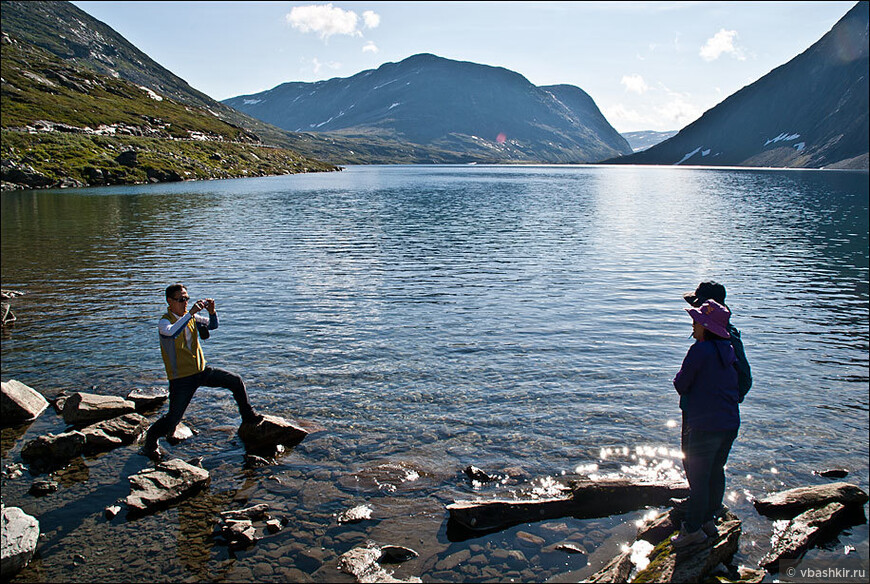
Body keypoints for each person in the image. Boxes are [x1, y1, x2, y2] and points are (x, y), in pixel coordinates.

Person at [141, 283, 262, 460]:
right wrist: (190, 313)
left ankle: (248, 417)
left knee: (235, 381)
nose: (185, 302)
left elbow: (213, 326)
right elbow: (171, 333)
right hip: (181, 379)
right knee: (172, 420)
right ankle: (150, 443)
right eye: (181, 299)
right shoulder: (164, 321)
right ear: (170, 301)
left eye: (187, 299)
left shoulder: (191, 318)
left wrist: (212, 311)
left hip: (201, 371)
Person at [671, 299, 740, 548]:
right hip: (729, 423)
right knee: (715, 472)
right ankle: (709, 520)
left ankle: (691, 530)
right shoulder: (729, 349)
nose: (693, 325)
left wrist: (679, 378)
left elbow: (682, 384)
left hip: (705, 425)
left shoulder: (699, 351)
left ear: (706, 327)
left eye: (697, 322)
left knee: (698, 479)